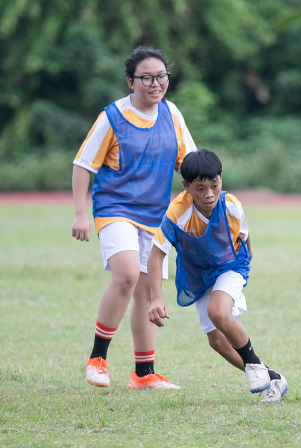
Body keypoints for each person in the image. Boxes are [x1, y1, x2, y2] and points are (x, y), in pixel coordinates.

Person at [72, 47, 197, 389]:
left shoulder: (172, 114)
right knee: (126, 274)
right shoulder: (112, 117)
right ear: (131, 81)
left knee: (146, 291)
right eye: (146, 77)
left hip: (155, 215)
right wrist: (81, 213)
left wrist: (204, 206)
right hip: (115, 209)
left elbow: (190, 164)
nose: (155, 83)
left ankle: (144, 373)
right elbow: (84, 164)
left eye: (161, 76)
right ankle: (97, 359)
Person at [146, 150, 288, 403]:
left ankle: (254, 366)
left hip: (231, 265)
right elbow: (156, 255)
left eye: (215, 185)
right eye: (200, 189)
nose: (209, 194)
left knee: (219, 313)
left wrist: (249, 258)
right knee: (217, 342)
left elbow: (243, 236)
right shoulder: (177, 212)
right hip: (200, 275)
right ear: (186, 187)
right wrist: (156, 297)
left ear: (221, 179)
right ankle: (273, 377)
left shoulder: (231, 204)